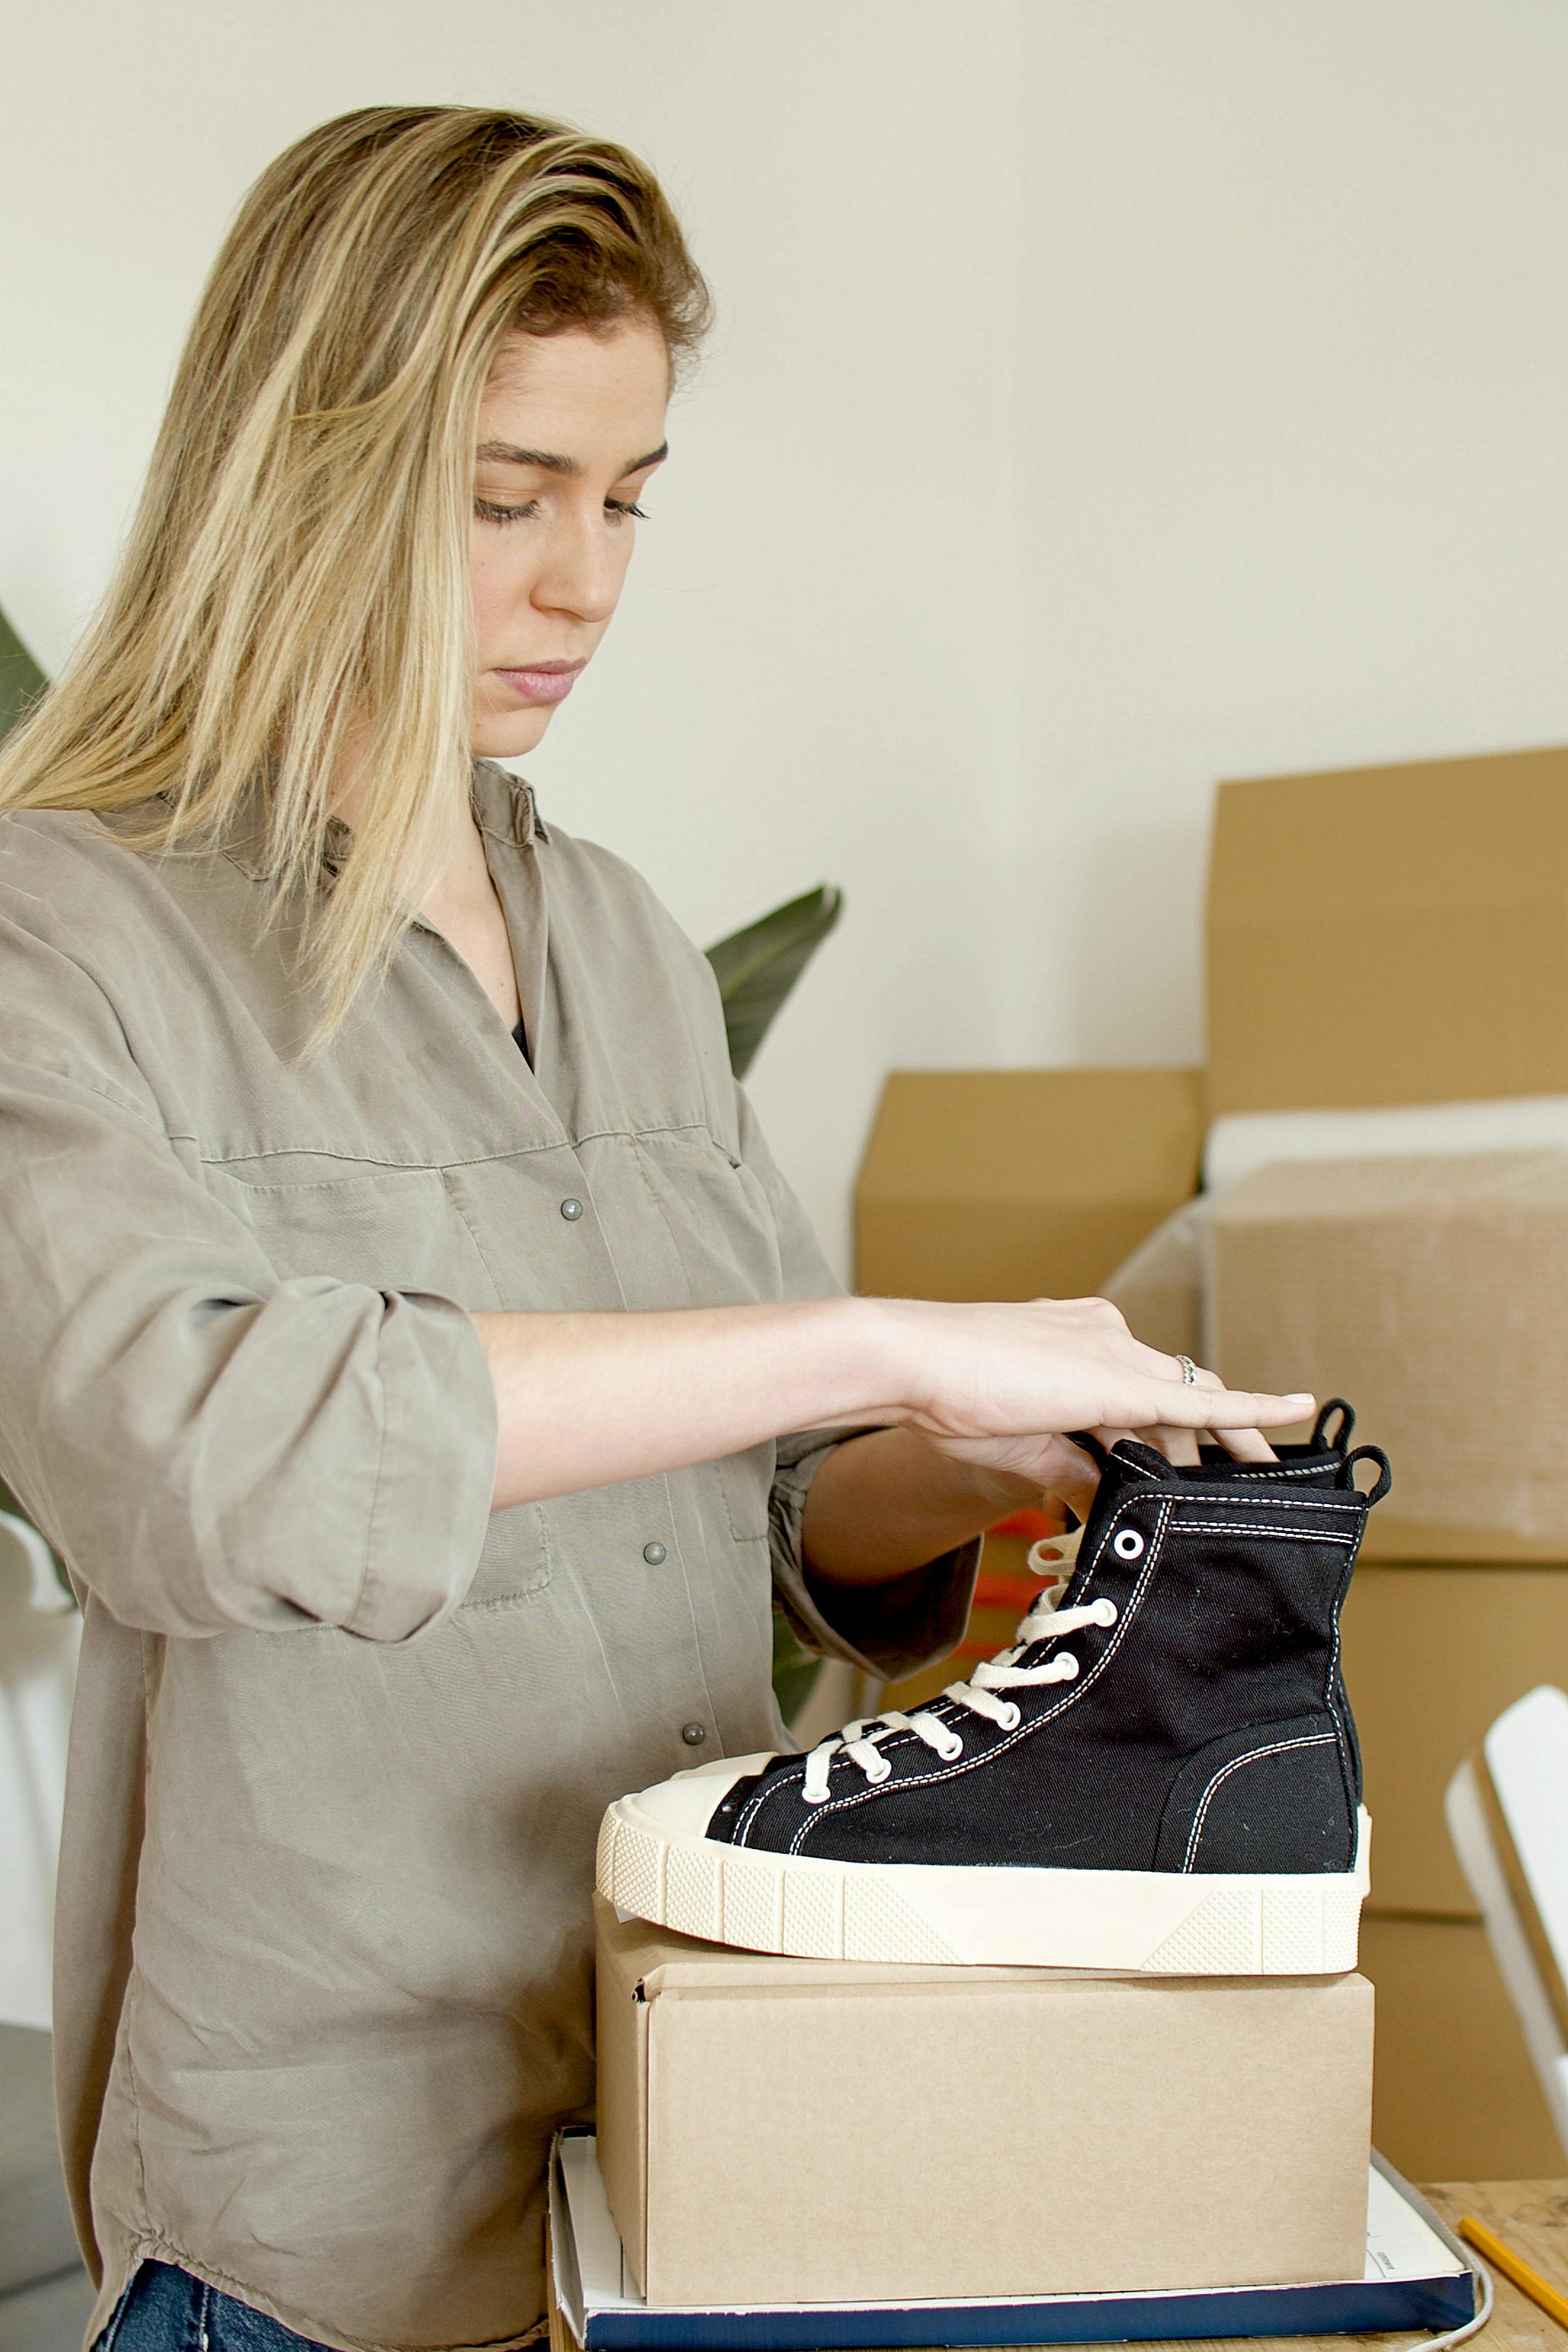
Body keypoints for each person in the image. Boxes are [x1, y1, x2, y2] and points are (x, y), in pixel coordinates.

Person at [0, 106, 1310, 2352]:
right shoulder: (66, 929)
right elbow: (185, 1460)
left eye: (626, 499)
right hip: (331, 2237)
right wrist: (887, 1334)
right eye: (504, 500)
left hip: (710, 2141)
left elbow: (764, 1504)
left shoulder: (614, 938)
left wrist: (956, 1451)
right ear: (297, 473)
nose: (583, 581)